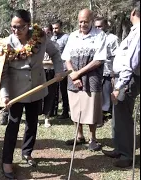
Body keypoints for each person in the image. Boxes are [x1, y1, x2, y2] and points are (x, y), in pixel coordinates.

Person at [0, 9, 63, 179]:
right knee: (12, 126)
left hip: (36, 88)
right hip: (16, 93)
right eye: (13, 27)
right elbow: (3, 73)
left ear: (28, 25)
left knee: (32, 123)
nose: (16, 30)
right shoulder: (6, 44)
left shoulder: (41, 37)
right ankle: (6, 162)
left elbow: (56, 53)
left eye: (20, 27)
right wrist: (5, 94)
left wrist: (58, 71)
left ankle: (27, 152)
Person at [62, 9, 107, 151]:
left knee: (92, 108)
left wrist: (78, 73)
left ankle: (92, 138)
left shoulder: (100, 35)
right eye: (80, 21)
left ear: (92, 21)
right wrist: (73, 75)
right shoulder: (73, 36)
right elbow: (66, 57)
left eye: (86, 21)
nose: (83, 24)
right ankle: (79, 136)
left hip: (92, 78)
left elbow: (99, 60)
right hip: (73, 77)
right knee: (75, 108)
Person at [102, 1, 140, 168]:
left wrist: (120, 85)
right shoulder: (134, 32)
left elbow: (132, 62)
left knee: (124, 115)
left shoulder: (138, 32)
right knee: (118, 113)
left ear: (133, 12)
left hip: (128, 79)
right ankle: (120, 147)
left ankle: (127, 154)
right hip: (122, 78)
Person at [94, 17, 120, 127]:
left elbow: (116, 56)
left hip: (108, 71)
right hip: (96, 70)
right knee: (97, 94)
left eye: (100, 26)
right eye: (96, 26)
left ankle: (106, 114)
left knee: (107, 94)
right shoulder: (94, 37)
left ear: (106, 26)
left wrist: (114, 73)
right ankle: (98, 115)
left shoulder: (113, 39)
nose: (98, 28)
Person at [51, 20, 70, 119]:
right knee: (55, 91)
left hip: (64, 69)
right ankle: (53, 111)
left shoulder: (66, 38)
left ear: (61, 27)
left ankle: (65, 111)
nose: (54, 30)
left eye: (56, 28)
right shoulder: (52, 38)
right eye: (53, 28)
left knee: (64, 91)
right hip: (54, 68)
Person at [41, 24, 59, 128]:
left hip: (51, 73)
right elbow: (37, 62)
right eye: (44, 32)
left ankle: (47, 118)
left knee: (50, 95)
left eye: (48, 32)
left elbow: (56, 61)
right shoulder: (37, 44)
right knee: (38, 95)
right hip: (40, 72)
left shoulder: (55, 45)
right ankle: (37, 116)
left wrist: (45, 62)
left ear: (51, 33)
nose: (46, 35)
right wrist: (47, 61)